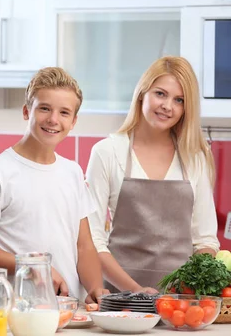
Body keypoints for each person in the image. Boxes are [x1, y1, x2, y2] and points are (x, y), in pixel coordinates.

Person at [0, 67, 110, 304]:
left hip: (67, 308)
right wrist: (32, 267)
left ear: (73, 121)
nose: (53, 119)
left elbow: (84, 246)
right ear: (27, 111)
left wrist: (96, 287)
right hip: (16, 311)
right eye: (44, 108)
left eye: (64, 112)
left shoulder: (72, 172)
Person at [85, 56, 219, 294]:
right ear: (141, 93)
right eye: (160, 94)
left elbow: (205, 240)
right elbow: (92, 240)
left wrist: (188, 288)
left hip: (179, 303)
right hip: (120, 300)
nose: (168, 106)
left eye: (179, 100)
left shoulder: (194, 157)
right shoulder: (107, 151)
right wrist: (136, 291)